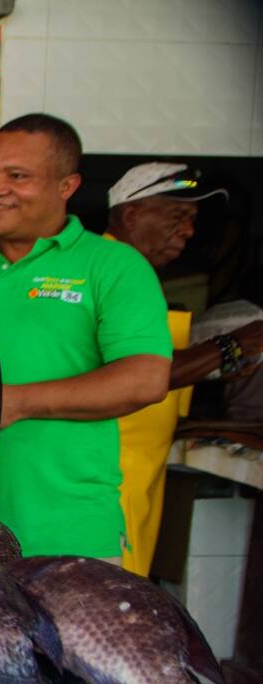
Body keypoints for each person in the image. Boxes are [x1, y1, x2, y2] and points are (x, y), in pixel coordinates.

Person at [0, 113, 172, 560]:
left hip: (66, 533)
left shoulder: (113, 267)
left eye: (18, 176)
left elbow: (145, 378)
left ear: (66, 186)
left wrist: (14, 402)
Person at [106, 161, 263, 574]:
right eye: (178, 217)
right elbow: (142, 372)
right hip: (110, 472)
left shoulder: (135, 276)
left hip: (139, 469)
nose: (189, 231)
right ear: (132, 214)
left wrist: (217, 366)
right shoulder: (110, 273)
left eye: (192, 219)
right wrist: (230, 346)